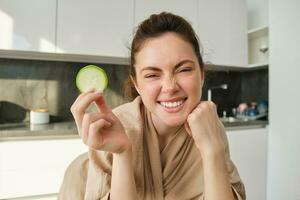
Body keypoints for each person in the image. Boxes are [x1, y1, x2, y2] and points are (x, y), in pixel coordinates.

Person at [58, 12, 246, 200]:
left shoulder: (210, 126)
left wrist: (212, 150)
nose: (170, 87)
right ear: (137, 84)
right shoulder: (113, 127)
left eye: (184, 69)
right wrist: (123, 153)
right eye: (152, 75)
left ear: (202, 74)